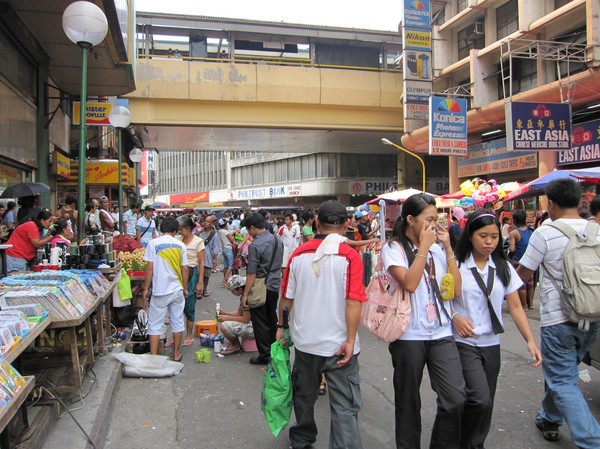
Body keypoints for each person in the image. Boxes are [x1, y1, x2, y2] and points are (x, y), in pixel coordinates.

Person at [516, 178, 600, 448]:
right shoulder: (596, 230)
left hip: (558, 320)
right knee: (563, 371)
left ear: (550, 203)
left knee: (562, 377)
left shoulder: (545, 233)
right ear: (580, 201)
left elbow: (525, 273)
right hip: (593, 316)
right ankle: (550, 418)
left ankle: (592, 440)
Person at [278, 199, 366, 449]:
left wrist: (281, 328)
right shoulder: (350, 256)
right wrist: (350, 339)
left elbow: (286, 299)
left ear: (316, 222)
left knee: (304, 396)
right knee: (344, 406)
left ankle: (302, 438)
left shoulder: (298, 254)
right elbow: (353, 302)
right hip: (339, 345)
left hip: (306, 343)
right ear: (347, 224)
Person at [380, 193, 465, 449]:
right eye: (428, 219)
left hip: (441, 333)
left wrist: (448, 249)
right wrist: (424, 249)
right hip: (408, 335)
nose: (434, 225)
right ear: (410, 220)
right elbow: (410, 283)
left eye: (435, 219)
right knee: (408, 403)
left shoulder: (439, 250)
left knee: (455, 398)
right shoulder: (393, 249)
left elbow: (456, 289)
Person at [453, 210, 542, 449]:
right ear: (470, 235)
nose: (489, 242)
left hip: (492, 345)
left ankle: (475, 444)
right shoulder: (457, 264)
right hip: (465, 343)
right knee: (479, 399)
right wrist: (455, 317)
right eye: (483, 236)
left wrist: (530, 341)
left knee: (487, 402)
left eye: (493, 236)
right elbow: (443, 299)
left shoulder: (503, 267)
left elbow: (515, 306)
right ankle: (465, 443)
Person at [143, 217, 189, 362]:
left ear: (161, 229)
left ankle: (154, 357)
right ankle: (176, 354)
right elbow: (185, 269)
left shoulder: (153, 243)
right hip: (176, 289)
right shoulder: (180, 245)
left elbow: (149, 268)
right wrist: (185, 288)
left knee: (155, 325)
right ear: (175, 231)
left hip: (159, 291)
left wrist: (145, 288)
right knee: (177, 322)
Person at [241, 212, 283, 365]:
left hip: (260, 286)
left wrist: (245, 294)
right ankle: (275, 351)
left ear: (252, 228)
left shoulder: (255, 246)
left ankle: (264, 355)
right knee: (272, 318)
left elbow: (252, 272)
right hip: (274, 284)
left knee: (259, 322)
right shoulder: (278, 241)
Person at [174, 216, 205, 347]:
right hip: (178, 273)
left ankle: (188, 335)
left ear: (188, 229)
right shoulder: (176, 240)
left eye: (181, 229)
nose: (179, 231)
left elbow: (202, 262)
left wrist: (200, 282)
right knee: (175, 305)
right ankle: (176, 335)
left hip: (192, 273)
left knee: (189, 304)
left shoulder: (198, 241)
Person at [218, 274, 253, 356]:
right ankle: (235, 344)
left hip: (253, 328)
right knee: (226, 323)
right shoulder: (243, 296)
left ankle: (236, 345)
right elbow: (239, 313)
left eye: (232, 291)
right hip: (250, 323)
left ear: (240, 289)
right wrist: (226, 313)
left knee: (224, 326)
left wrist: (227, 318)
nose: (232, 293)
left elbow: (245, 319)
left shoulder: (247, 299)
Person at [509, 210, 535, 309]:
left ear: (515, 220)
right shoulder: (531, 231)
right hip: (530, 260)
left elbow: (512, 249)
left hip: (518, 260)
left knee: (520, 283)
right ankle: (531, 304)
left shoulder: (514, 233)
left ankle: (523, 305)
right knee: (530, 283)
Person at [199, 216, 221, 297]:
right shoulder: (199, 232)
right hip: (198, 257)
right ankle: (198, 289)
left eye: (208, 221)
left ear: (212, 223)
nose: (205, 223)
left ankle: (205, 289)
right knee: (197, 274)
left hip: (208, 257)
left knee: (206, 275)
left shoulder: (214, 234)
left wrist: (215, 259)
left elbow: (216, 247)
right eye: (205, 221)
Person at [217, 218, 235, 287]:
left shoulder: (220, 231)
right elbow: (232, 239)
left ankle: (225, 279)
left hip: (223, 249)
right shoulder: (225, 231)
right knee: (230, 266)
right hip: (228, 248)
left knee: (226, 265)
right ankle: (224, 281)